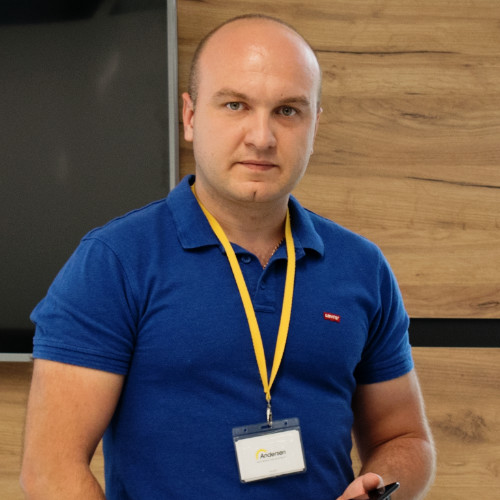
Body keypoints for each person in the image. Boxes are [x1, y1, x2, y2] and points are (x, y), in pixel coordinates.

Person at [20, 14, 435, 499]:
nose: (262, 137)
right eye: (236, 105)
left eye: (287, 111)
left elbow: (404, 438)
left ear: (314, 126)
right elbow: (50, 472)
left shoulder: (362, 267)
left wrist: (381, 488)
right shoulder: (114, 262)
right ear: (191, 116)